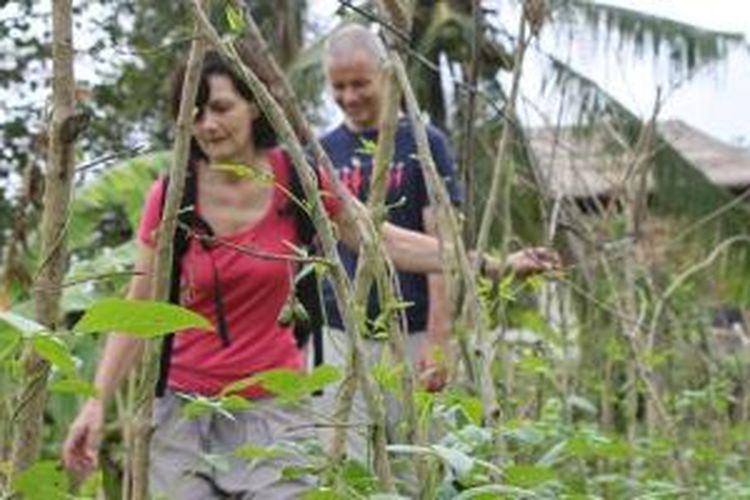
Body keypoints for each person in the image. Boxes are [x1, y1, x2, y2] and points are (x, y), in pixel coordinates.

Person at [62, 44, 556, 499]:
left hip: (275, 406)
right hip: (181, 413)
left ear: (255, 105)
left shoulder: (296, 178)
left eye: (221, 108)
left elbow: (381, 241)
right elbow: (137, 307)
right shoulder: (172, 196)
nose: (207, 125)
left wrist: (491, 266)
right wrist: (96, 401)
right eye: (193, 114)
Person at [315, 24, 462, 459]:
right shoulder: (322, 153)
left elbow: (443, 246)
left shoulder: (423, 141)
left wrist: (439, 337)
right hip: (340, 331)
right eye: (338, 86)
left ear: (385, 75)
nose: (350, 96)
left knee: (418, 459)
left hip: (413, 329)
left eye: (360, 83)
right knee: (347, 459)